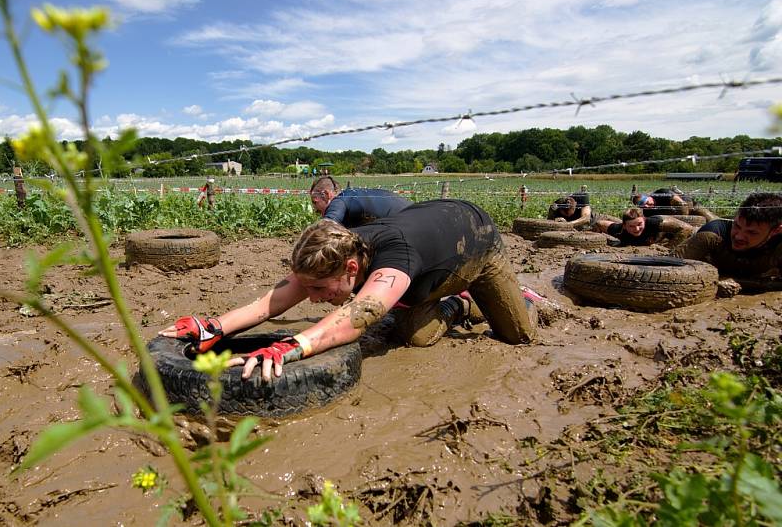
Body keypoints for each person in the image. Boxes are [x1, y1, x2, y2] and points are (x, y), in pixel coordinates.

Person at [160, 200, 536, 382]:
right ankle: (456, 306)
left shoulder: (395, 260)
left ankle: (506, 299)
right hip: (431, 254)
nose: (312, 297)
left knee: (517, 335)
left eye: (319, 289)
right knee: (414, 336)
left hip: (476, 243)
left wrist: (289, 347)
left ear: (352, 269)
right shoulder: (334, 255)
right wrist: (212, 327)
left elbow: (358, 318)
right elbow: (269, 304)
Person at [675, 192, 782, 291]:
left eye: (752, 232)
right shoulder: (711, 235)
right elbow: (668, 270)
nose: (739, 236)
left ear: (776, 230)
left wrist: (740, 282)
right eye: (737, 226)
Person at [309, 176, 412, 227]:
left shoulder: (339, 201)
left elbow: (324, 229)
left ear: (327, 194)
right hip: (416, 217)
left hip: (407, 226)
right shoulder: (355, 196)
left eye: (315, 202)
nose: (316, 211)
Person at [595, 207, 694, 246]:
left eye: (639, 224)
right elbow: (600, 223)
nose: (637, 229)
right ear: (624, 226)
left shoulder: (653, 223)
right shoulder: (619, 230)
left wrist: (668, 249)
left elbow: (687, 228)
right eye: (632, 226)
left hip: (669, 231)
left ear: (644, 220)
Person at [632, 187, 718, 221]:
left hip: (690, 206)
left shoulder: (661, 193)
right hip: (675, 216)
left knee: (712, 220)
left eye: (647, 202)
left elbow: (682, 205)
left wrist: (687, 220)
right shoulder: (647, 212)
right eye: (643, 206)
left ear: (648, 196)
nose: (647, 206)